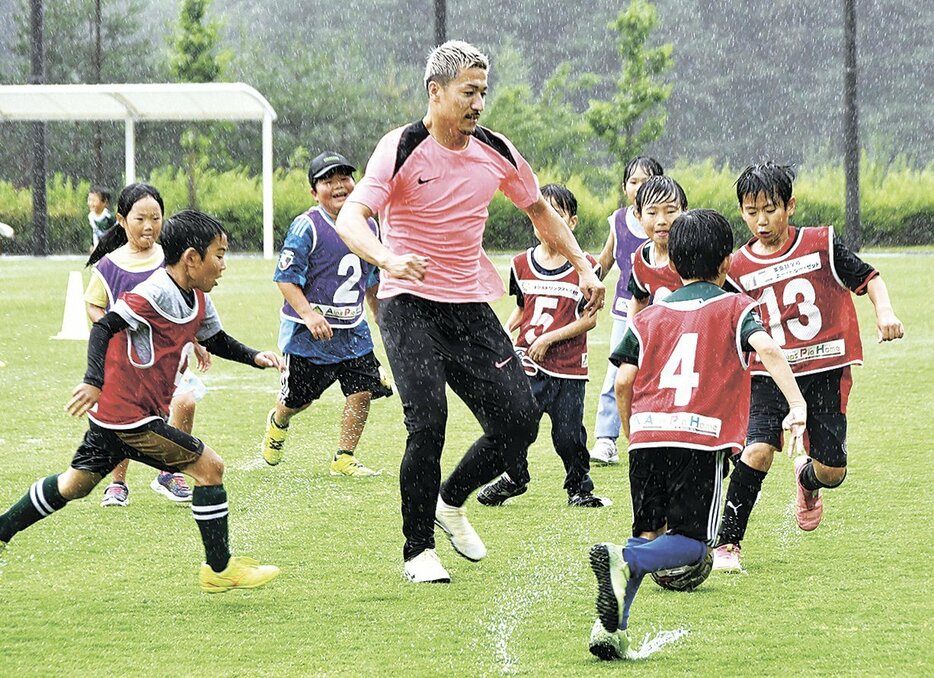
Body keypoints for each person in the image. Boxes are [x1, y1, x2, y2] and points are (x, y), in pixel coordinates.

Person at [334, 40, 605, 584]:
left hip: (468, 304)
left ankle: (451, 498)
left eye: (483, 91)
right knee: (427, 421)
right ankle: (418, 551)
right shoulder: (401, 146)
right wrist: (388, 257)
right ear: (435, 93)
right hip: (407, 304)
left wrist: (584, 265)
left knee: (521, 421)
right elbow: (352, 217)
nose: (479, 102)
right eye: (469, 91)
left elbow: (538, 208)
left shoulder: (495, 148)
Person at [0, 210, 283, 592]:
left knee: (74, 485)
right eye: (219, 254)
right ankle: (219, 570)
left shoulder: (198, 297)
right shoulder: (153, 292)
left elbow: (214, 338)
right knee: (209, 468)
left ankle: (2, 530)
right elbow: (104, 326)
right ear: (191, 259)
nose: (224, 265)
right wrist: (93, 381)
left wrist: (254, 356)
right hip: (127, 415)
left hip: (119, 417)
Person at [586, 209, 807, 660]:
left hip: (647, 437)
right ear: (726, 263)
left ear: (675, 265)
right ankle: (624, 563)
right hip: (698, 440)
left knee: (647, 531)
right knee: (691, 544)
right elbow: (765, 347)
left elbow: (624, 381)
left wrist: (632, 435)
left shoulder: (648, 317)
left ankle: (609, 629)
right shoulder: (736, 307)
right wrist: (798, 404)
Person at [712, 163, 905, 572]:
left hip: (824, 371)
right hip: (767, 376)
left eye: (770, 209)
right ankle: (727, 540)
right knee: (758, 450)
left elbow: (869, 278)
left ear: (791, 206)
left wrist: (884, 310)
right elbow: (724, 323)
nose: (761, 221)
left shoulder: (820, 243)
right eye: (751, 211)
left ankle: (807, 481)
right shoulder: (737, 268)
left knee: (833, 471)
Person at [476, 183, 609, 509]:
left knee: (568, 437)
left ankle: (579, 488)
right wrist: (507, 331)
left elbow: (589, 320)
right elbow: (524, 308)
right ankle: (513, 477)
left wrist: (549, 338)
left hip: (567, 369)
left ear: (571, 222)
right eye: (542, 215)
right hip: (528, 364)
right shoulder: (521, 264)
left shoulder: (585, 267)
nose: (548, 222)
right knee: (514, 424)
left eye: (557, 215)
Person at [261, 150, 391, 475]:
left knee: (362, 390)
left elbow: (371, 279)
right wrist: (309, 314)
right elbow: (286, 279)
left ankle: (344, 457)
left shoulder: (369, 226)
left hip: (352, 331)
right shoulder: (307, 227)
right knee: (299, 400)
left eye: (344, 178)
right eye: (328, 180)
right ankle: (279, 419)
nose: (338, 186)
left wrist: (381, 317)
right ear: (313, 191)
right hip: (309, 337)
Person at [84, 183, 207, 508]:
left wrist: (196, 340)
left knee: (185, 403)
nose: (149, 226)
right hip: (125, 363)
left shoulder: (169, 259)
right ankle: (118, 483)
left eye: (156, 218)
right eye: (141, 219)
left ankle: (170, 471)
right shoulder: (108, 266)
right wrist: (111, 327)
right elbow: (94, 305)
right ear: (123, 221)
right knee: (125, 422)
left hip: (166, 359)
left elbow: (185, 306)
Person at [590, 157, 664, 465]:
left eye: (646, 181)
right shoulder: (618, 221)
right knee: (616, 374)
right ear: (625, 188)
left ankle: (659, 432)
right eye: (633, 182)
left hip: (662, 311)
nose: (639, 187)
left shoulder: (666, 222)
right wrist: (590, 282)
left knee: (659, 374)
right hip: (625, 311)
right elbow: (606, 260)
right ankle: (606, 439)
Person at [625, 175, 689, 316]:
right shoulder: (642, 256)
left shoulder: (694, 252)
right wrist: (630, 335)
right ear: (639, 216)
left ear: (685, 212)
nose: (661, 221)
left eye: (670, 211)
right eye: (652, 213)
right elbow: (639, 300)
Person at [87, 185, 116, 251]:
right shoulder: (90, 216)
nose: (91, 203)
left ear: (105, 202)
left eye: (94, 200)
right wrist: (93, 244)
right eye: (89, 200)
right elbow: (95, 231)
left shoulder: (109, 217)